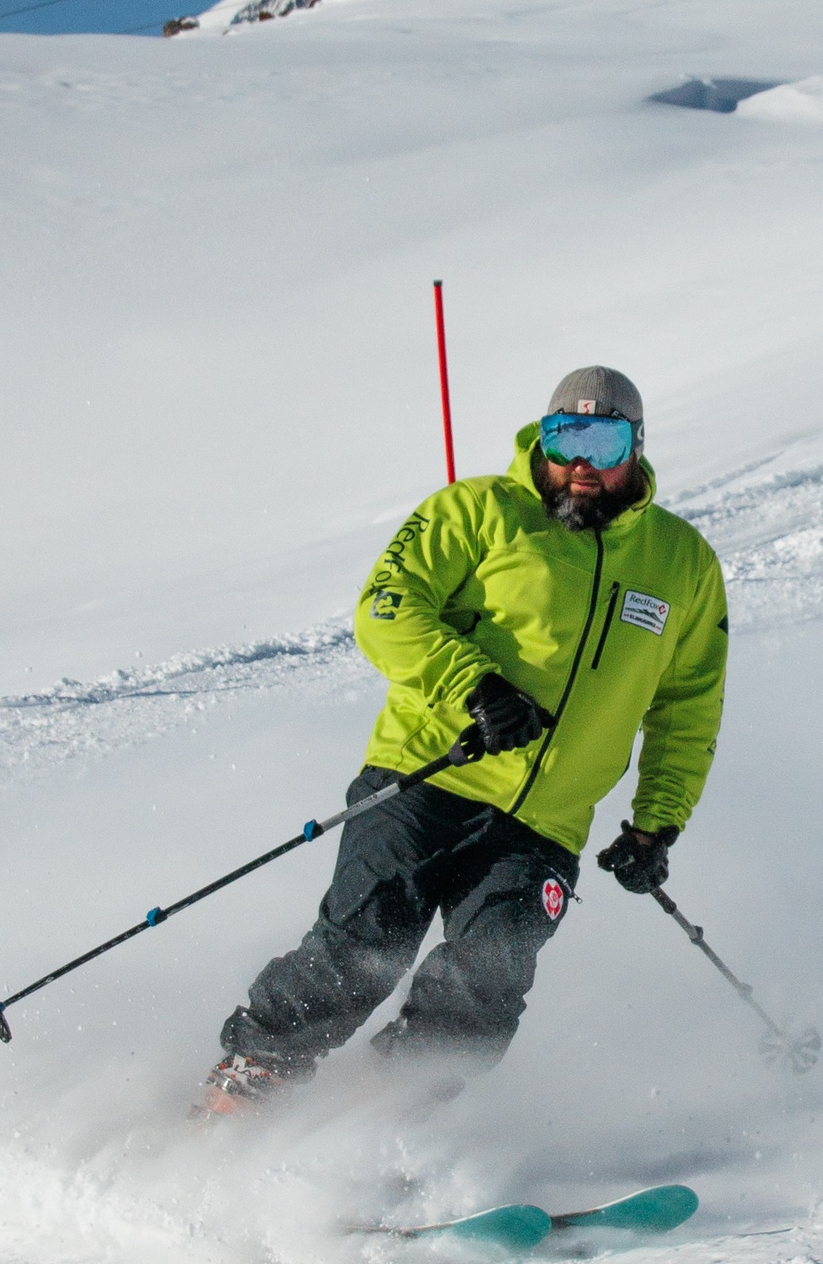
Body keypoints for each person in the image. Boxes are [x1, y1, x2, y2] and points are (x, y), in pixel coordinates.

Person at [198, 366, 729, 1114]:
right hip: (425, 779)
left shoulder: (684, 563)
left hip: (545, 824)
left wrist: (657, 822)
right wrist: (474, 687)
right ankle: (249, 1082)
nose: (581, 460)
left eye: (602, 439)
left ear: (635, 450)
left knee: (489, 978)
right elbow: (385, 608)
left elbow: (688, 702)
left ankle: (377, 1120)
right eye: (564, 435)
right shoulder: (477, 511)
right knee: (361, 949)